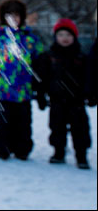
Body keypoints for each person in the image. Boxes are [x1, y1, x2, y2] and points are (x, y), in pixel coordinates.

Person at [0, 0, 43, 161]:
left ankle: (22, 149)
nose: (13, 19)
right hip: (3, 90)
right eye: (9, 16)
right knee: (3, 121)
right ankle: (2, 148)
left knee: (23, 122)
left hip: (24, 90)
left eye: (16, 16)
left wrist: (40, 81)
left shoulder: (29, 38)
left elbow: (40, 60)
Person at [34, 18, 91, 169]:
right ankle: (58, 152)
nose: (65, 38)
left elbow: (90, 78)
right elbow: (42, 79)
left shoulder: (81, 57)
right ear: (55, 37)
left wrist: (91, 95)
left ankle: (82, 155)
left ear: (74, 37)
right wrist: (40, 96)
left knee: (80, 130)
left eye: (68, 35)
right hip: (57, 100)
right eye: (61, 35)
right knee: (57, 128)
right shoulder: (49, 57)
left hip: (76, 101)